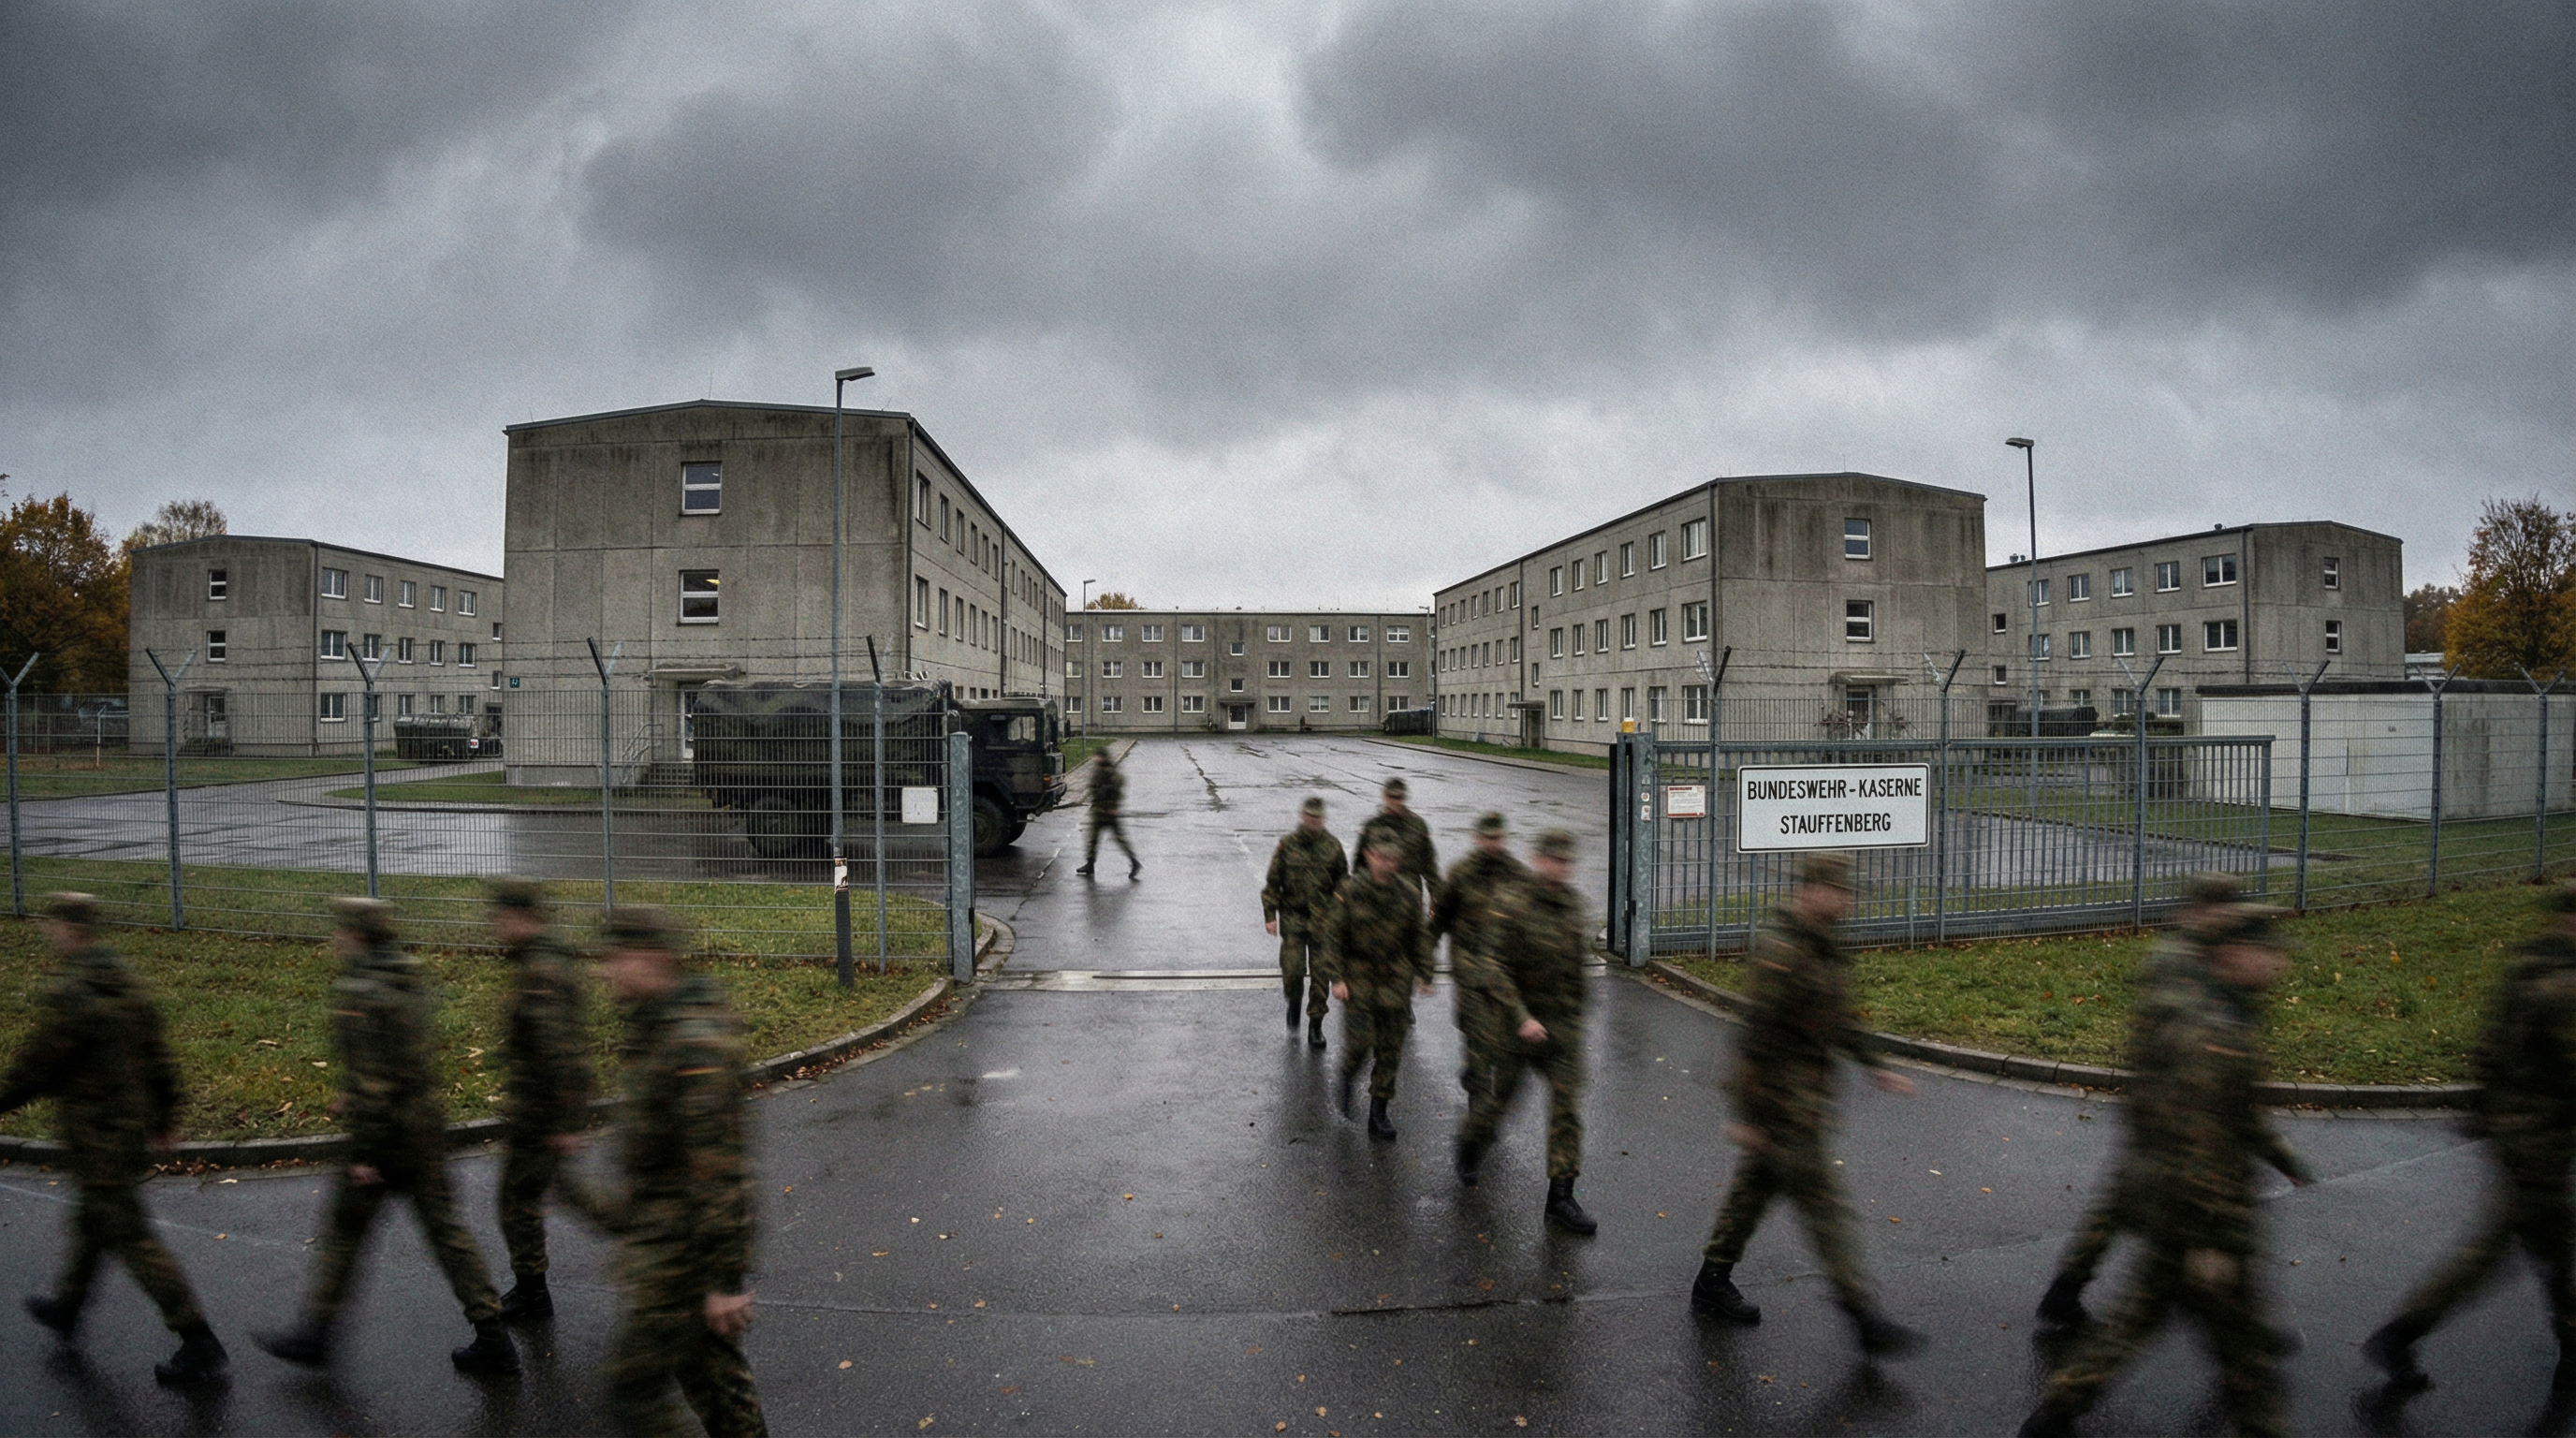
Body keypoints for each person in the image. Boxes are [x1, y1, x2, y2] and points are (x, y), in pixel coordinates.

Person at [2020, 910, 2307, 1438]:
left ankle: (2058, 1409)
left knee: (2139, 1318)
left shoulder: (2224, 1014)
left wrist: (2285, 1159)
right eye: (2267, 951)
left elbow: (2234, 1115)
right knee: (2240, 1361)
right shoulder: (2214, 1030)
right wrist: (2209, 1240)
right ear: (2234, 954)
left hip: (2181, 1208)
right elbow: (2196, 1138)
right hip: (2203, 1219)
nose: (2278, 962)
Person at [255, 897, 519, 1375]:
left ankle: (315, 1334)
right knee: (447, 1233)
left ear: (355, 936)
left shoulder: (360, 991)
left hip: (385, 1134)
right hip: (423, 1121)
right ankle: (494, 1336)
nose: (334, 941)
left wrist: (366, 1149)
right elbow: (402, 1058)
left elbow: (376, 1079)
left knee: (344, 1231)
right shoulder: (406, 976)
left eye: (340, 932)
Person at [2039, 873, 2306, 1326]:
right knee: (2152, 1213)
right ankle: (2235, 1330)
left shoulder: (2205, 954)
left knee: (2124, 1203)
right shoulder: (2177, 958)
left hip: (2168, 1103)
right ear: (2201, 910)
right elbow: (2175, 1036)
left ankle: (2069, 1290)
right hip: (2168, 1106)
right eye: (2217, 908)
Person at [1690, 851, 1923, 1358]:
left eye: (1847, 892)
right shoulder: (1783, 950)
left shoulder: (1823, 946)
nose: (1845, 901)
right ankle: (1865, 1315)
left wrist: (1873, 1064)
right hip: (1781, 1104)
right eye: (1837, 891)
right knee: (1826, 1209)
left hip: (1803, 1100)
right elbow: (1754, 1035)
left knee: (1753, 1190)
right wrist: (1745, 1116)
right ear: (1810, 891)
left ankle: (1711, 1280)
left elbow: (1837, 1018)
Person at [0, 894, 227, 1385]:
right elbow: (156, 1054)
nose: (48, 933)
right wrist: (165, 1114)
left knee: (130, 1236)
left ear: (67, 929)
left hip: (94, 1136)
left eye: (52, 925)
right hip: (128, 1128)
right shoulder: (125, 982)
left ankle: (196, 1337)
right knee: (93, 1219)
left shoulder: (73, 992)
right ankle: (68, 1304)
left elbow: (40, 1064)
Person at [2364, 881, 2576, 1393]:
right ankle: (2401, 1333)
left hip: (2516, 1131)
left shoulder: (2528, 967)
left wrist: (2487, 1111)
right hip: (2539, 1139)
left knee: (2554, 1243)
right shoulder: (2564, 984)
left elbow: (2488, 1048)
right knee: (2494, 1250)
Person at [570, 907, 766, 1438]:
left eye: (613, 958)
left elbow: (720, 1171)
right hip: (669, 1243)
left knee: (633, 1396)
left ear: (650, 957)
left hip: (680, 1255)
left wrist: (722, 1280)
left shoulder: (691, 1045)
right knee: (718, 1388)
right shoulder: (656, 1027)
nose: (603, 972)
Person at [1454, 829, 1598, 1234]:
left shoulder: (1573, 908)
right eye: (1553, 859)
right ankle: (1470, 1143)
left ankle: (1561, 1199)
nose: (1560, 867)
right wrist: (1520, 1016)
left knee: (1566, 1110)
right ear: (1538, 860)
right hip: (1516, 1028)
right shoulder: (1512, 902)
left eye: (1566, 861)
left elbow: (1576, 974)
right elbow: (1491, 965)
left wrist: (1578, 1022)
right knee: (1500, 1103)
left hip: (1560, 1030)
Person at [487, 877, 595, 1322]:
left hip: (544, 1114)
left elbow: (560, 1050)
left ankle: (666, 1256)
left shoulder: (542, 972)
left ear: (522, 917)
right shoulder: (537, 961)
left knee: (527, 1199)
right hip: (538, 1111)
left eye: (499, 917)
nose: (493, 925)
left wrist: (566, 1122)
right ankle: (532, 1291)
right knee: (527, 1197)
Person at [1322, 837, 1435, 1140]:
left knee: (1390, 1051)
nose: (1386, 864)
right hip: (1358, 981)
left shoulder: (1408, 894)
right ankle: (1347, 1076)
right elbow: (1332, 936)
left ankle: (1379, 1112)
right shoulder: (1349, 890)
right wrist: (1336, 978)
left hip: (1395, 983)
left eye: (1391, 859)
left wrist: (1426, 972)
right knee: (1360, 1045)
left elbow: (1418, 937)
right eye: (1380, 857)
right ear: (1369, 856)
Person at [1431, 813, 1526, 1101]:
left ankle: (1476, 1068)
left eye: (1496, 839)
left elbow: (1528, 924)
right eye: (1487, 838)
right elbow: (1440, 918)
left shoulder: (1516, 874)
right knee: (1475, 1030)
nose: (1491, 844)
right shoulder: (1461, 873)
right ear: (1478, 839)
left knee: (1499, 1036)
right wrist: (1424, 957)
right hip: (1468, 966)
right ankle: (1478, 1103)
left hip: (1502, 970)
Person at [1263, 797, 1348, 1049]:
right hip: (1294, 918)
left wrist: (1340, 904)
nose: (1313, 821)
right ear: (1302, 816)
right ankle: (1294, 1001)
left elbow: (1344, 880)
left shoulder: (1333, 847)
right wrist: (1270, 915)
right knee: (1292, 970)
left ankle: (1316, 1026)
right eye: (1309, 817)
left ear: (1322, 819)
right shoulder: (1288, 845)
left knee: (1321, 975)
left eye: (1317, 818)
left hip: (1324, 922)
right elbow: (1273, 881)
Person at [1354, 777, 1438, 908]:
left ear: (1405, 798)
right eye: (1392, 797)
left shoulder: (1418, 826)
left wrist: (1435, 895)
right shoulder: (1372, 826)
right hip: (1376, 896)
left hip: (1409, 898)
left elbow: (1429, 864)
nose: (1395, 802)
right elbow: (1359, 863)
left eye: (1399, 797)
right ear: (1385, 797)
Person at [1075, 743, 1139, 879]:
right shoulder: (1099, 770)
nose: (1096, 759)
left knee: (1120, 839)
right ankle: (1090, 864)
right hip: (1098, 811)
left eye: (1098, 756)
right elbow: (1093, 787)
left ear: (1103, 757)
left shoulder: (1110, 771)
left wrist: (1113, 807)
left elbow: (1117, 790)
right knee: (1092, 839)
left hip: (1108, 812)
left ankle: (1134, 862)